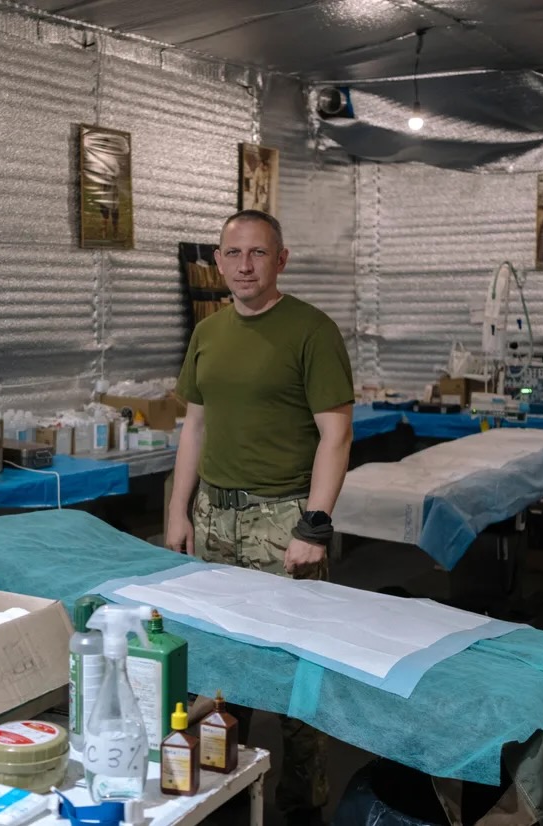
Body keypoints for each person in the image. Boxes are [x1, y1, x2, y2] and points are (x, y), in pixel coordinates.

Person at [166, 209, 354, 826]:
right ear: (218, 262)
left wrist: (314, 525)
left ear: (281, 259)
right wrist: (178, 511)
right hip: (214, 520)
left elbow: (336, 434)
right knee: (218, 664)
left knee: (296, 671)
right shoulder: (208, 333)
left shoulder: (312, 331)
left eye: (258, 253)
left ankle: (303, 804)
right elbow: (194, 427)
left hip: (282, 522)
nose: (244, 266)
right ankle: (225, 791)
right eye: (233, 253)